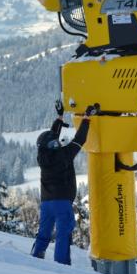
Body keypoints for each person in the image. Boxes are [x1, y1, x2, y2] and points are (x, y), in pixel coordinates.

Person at [31, 100, 97, 264]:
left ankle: (35, 257)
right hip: (62, 202)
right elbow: (79, 139)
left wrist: (60, 116)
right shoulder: (64, 155)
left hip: (46, 202)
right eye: (56, 142)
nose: (58, 142)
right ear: (53, 145)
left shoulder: (42, 156)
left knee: (44, 232)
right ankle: (61, 264)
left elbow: (51, 137)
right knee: (63, 234)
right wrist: (87, 117)